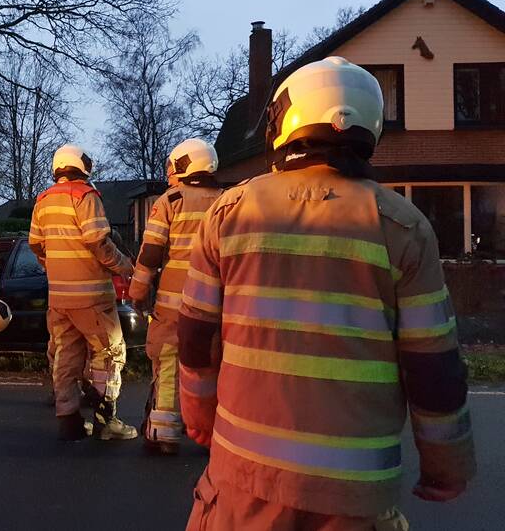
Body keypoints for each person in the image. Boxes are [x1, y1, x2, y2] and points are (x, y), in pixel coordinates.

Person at [179, 57, 476, 530]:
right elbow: (433, 367)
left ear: (289, 122)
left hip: (244, 478)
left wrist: (196, 415)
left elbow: (195, 337)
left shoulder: (230, 212)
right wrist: (447, 464)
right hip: (355, 493)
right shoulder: (403, 226)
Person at [30, 143, 137, 441]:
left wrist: (55, 267)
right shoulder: (84, 195)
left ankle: (69, 421)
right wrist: (124, 265)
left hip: (60, 298)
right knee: (110, 352)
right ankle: (107, 421)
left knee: (66, 355)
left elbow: (36, 244)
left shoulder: (43, 200)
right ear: (82, 167)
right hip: (92, 298)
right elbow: (97, 241)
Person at [129, 138, 222, 455]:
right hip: (216, 303)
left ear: (184, 165)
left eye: (172, 166)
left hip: (172, 304)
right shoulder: (229, 201)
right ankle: (210, 435)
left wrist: (138, 291)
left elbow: (152, 252)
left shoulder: (170, 201)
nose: (169, 172)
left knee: (168, 363)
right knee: (210, 366)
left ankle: (164, 433)